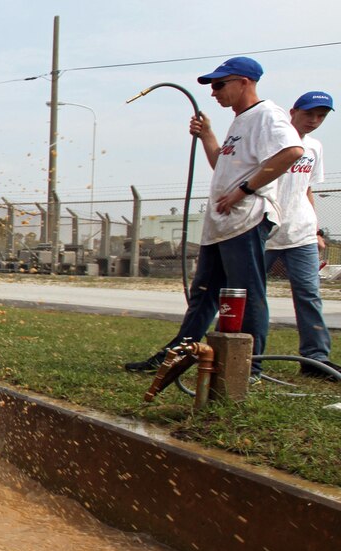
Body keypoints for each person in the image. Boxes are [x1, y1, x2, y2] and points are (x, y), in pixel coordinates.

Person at [125, 57, 304, 378]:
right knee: (204, 295)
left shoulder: (267, 115)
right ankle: (177, 356)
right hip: (221, 225)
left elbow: (292, 151)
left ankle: (249, 366)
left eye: (220, 84)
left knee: (246, 293)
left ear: (245, 82)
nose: (214, 92)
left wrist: (244, 191)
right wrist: (208, 135)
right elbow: (221, 166)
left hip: (246, 219)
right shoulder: (240, 121)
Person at [264, 91, 340, 381]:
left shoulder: (315, 147)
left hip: (302, 234)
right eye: (309, 114)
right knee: (246, 294)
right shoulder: (273, 140)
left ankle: (316, 360)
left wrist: (316, 229)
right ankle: (243, 352)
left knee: (309, 295)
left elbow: (306, 188)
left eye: (321, 116)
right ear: (293, 111)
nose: (314, 121)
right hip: (265, 230)